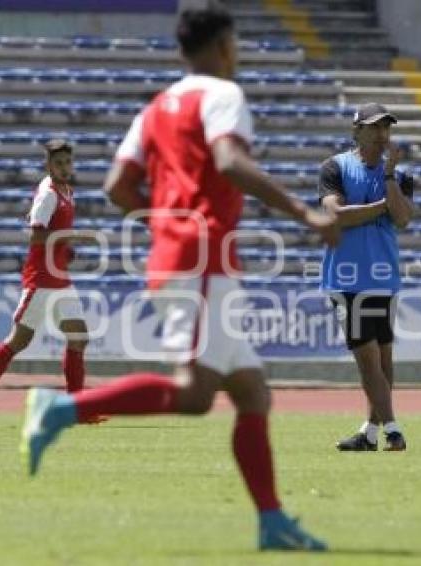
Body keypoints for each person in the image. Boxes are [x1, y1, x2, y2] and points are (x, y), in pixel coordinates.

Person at [19, 6, 339, 552]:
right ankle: (62, 407)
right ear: (221, 45)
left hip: (185, 252)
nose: (237, 53)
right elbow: (230, 162)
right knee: (194, 395)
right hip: (203, 256)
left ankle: (271, 522)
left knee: (252, 393)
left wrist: (164, 217)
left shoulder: (157, 107)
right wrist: (304, 214)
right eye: (235, 43)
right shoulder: (223, 94)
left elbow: (119, 186)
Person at [0, 139, 94, 429]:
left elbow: (53, 235)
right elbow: (36, 237)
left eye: (67, 163)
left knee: (79, 337)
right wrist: (74, 237)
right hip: (42, 280)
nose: (63, 168)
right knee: (18, 341)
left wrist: (66, 249)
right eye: (57, 164)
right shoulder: (48, 194)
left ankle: (75, 407)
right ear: (48, 166)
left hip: (59, 278)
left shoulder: (67, 192)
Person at [318, 102, 414, 452]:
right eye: (373, 127)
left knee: (383, 357)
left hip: (383, 276)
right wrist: (381, 207)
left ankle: (371, 434)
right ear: (356, 131)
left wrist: (389, 176)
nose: (382, 134)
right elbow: (337, 215)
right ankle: (392, 429)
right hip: (346, 278)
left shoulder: (399, 176)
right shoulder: (335, 168)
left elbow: (403, 219)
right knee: (368, 357)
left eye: (386, 127)